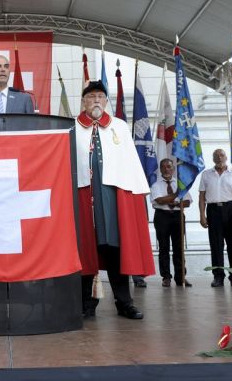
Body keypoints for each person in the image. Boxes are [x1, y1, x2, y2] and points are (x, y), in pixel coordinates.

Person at [76, 80, 155, 319]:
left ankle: (124, 302)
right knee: (85, 249)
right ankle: (86, 304)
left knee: (115, 248)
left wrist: (134, 198)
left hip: (113, 196)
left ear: (107, 101)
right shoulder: (73, 128)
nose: (96, 100)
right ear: (84, 102)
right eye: (91, 97)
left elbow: (130, 165)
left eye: (100, 96)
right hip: (83, 195)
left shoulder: (119, 127)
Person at [199, 149, 232, 288]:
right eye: (216, 156)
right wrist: (202, 215)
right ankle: (218, 276)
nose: (219, 158)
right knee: (216, 245)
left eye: (222, 155)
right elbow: (202, 196)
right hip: (213, 210)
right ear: (213, 158)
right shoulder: (206, 174)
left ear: (226, 157)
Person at [150, 158, 192, 287]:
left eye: (169, 167)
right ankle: (166, 277)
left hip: (177, 216)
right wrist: (176, 195)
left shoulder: (180, 184)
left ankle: (181, 277)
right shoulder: (156, 185)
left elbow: (187, 202)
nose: (166, 169)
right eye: (164, 167)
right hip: (162, 217)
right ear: (161, 169)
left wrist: (176, 201)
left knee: (179, 248)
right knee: (164, 248)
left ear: (173, 169)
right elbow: (160, 200)